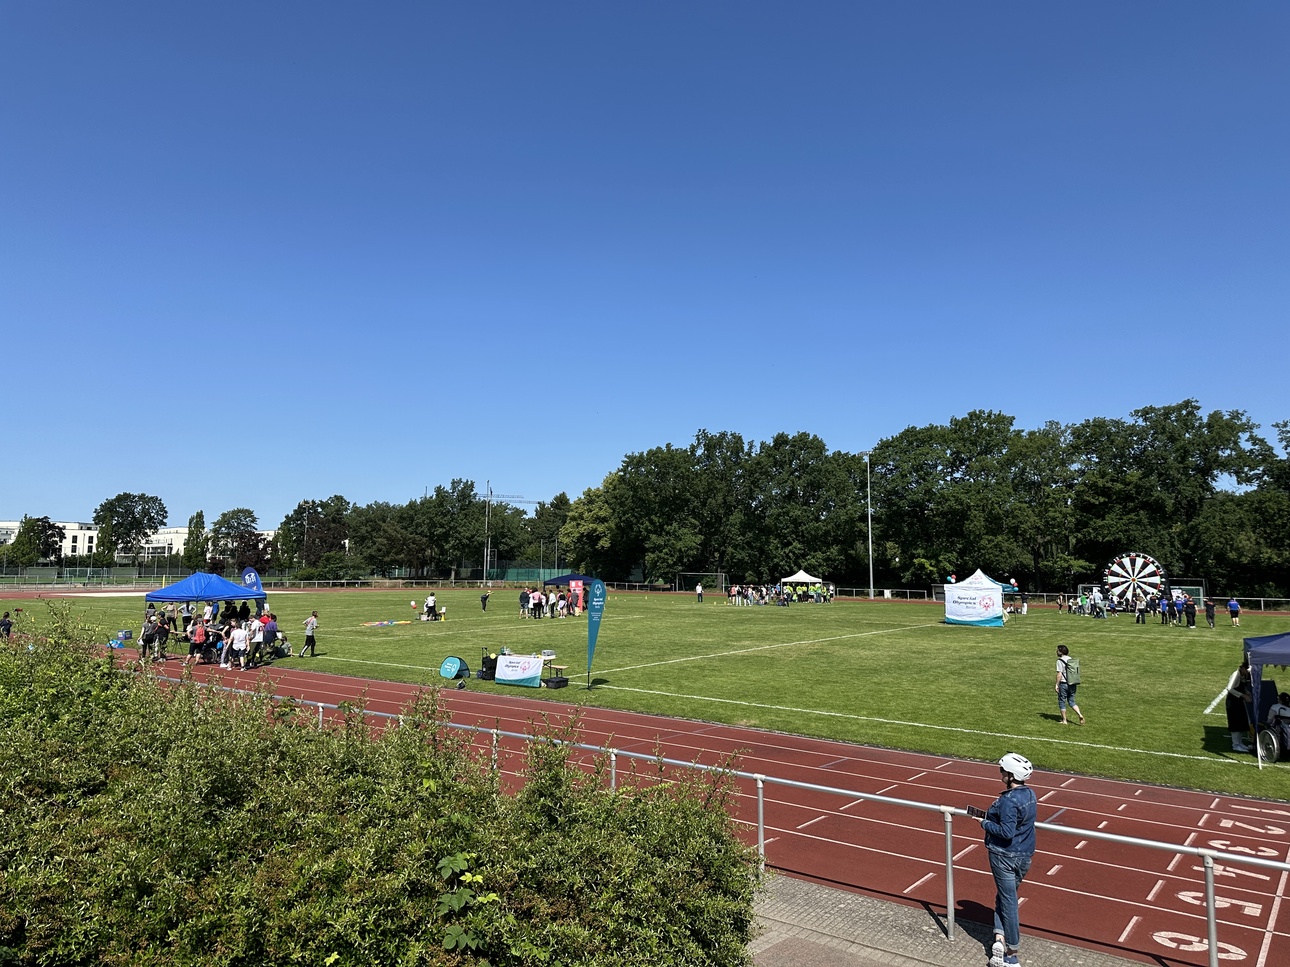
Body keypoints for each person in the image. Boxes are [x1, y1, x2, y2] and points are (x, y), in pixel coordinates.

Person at [974, 752, 1037, 967]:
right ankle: (999, 939)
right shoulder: (1031, 795)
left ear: (1010, 775)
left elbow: (1006, 831)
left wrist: (983, 822)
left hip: (1004, 856)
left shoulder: (1008, 801)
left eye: (1002, 771)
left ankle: (1011, 954)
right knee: (1004, 896)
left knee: (1008, 902)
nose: (1000, 773)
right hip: (1024, 856)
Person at [1225, 661, 1254, 752]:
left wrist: (1247, 692)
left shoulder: (1244, 675)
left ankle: (1240, 743)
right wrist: (1243, 695)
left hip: (1239, 701)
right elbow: (1230, 688)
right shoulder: (1236, 675)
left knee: (1241, 722)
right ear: (1243, 668)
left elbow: (1242, 686)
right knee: (1235, 723)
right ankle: (1235, 745)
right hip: (1232, 702)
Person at [1055, 645, 1084, 725]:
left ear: (1061, 652)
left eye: (1058, 650)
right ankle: (1079, 714)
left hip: (1064, 684)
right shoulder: (1071, 659)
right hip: (1072, 683)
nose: (1056, 651)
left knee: (1062, 701)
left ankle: (1064, 720)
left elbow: (1059, 674)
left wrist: (1057, 684)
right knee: (1071, 701)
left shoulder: (1059, 661)